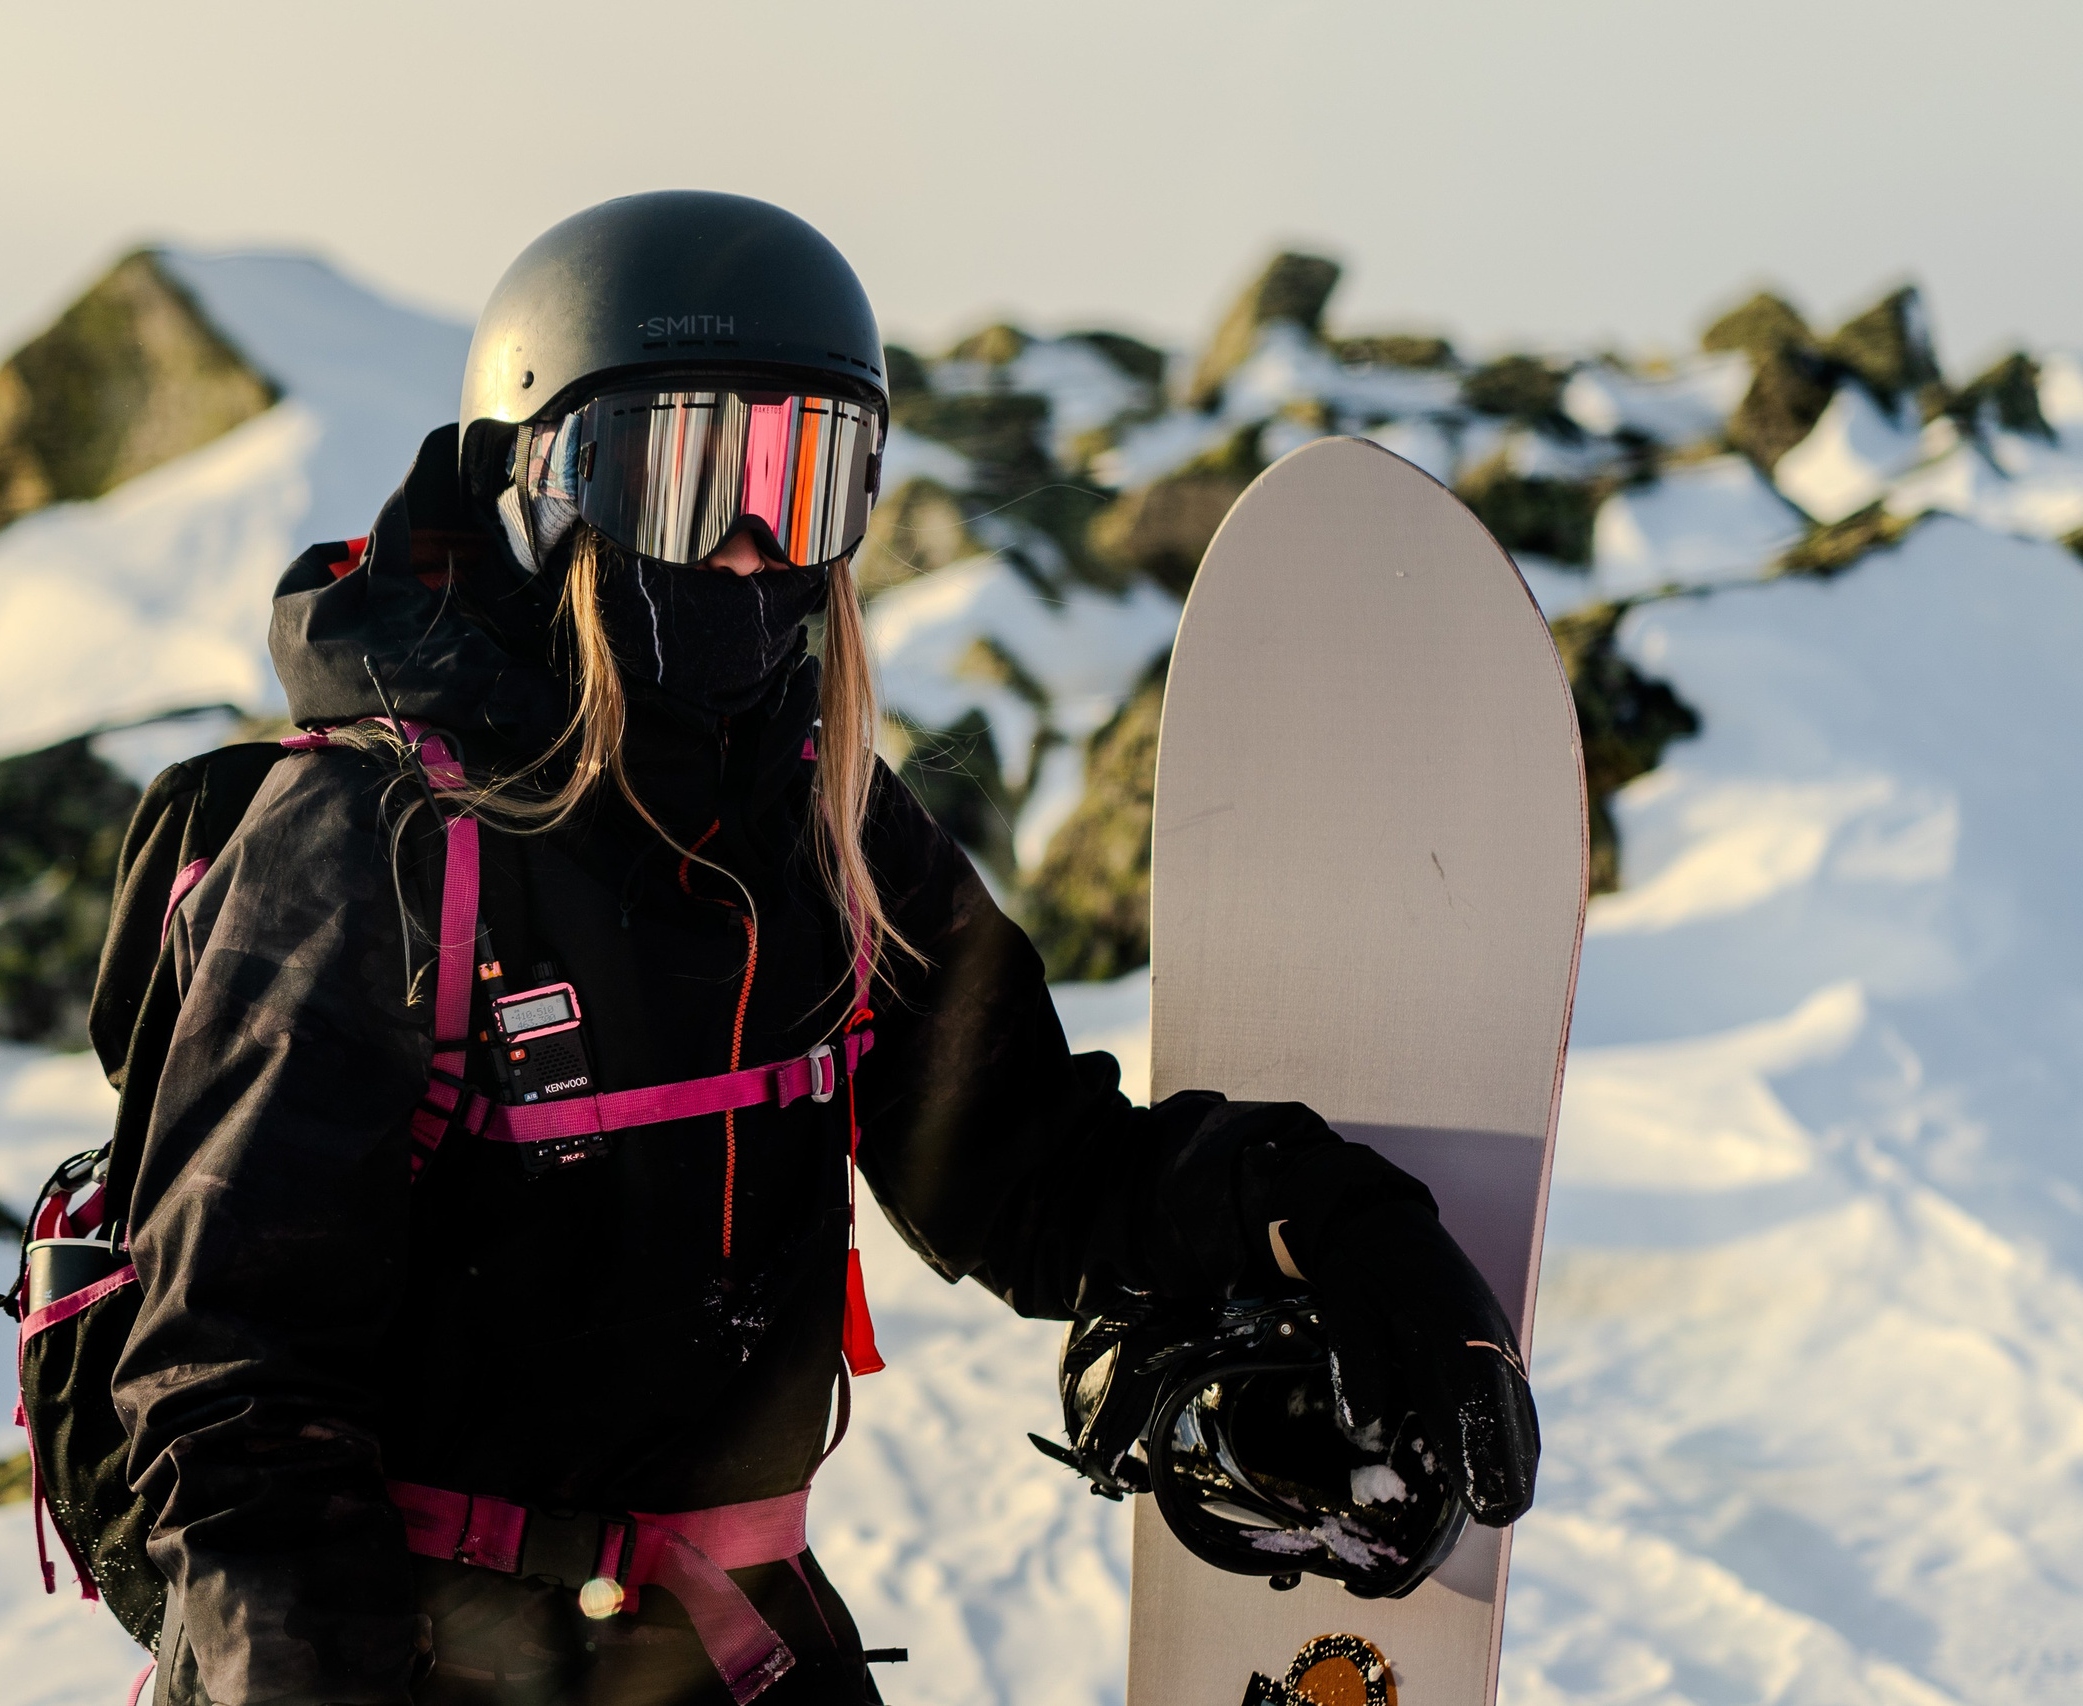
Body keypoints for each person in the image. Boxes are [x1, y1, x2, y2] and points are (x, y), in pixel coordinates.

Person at [112, 191, 1537, 1706]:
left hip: (721, 1642)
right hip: (410, 1654)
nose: (746, 548)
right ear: (543, 482)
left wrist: (1324, 1211)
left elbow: (1033, 1175)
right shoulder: (373, 844)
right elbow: (230, 1393)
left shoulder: (821, 825)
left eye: (802, 480)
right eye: (692, 472)